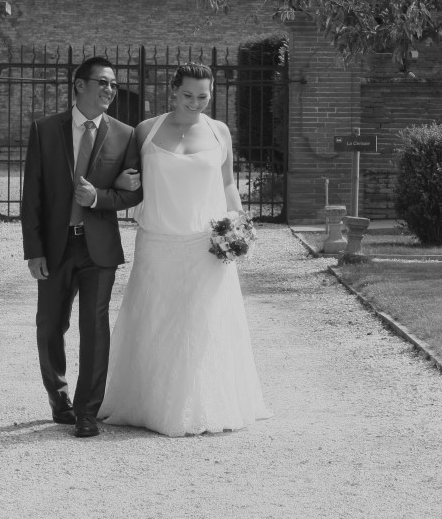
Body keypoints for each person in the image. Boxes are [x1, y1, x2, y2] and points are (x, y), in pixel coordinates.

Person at [99, 62, 270, 436]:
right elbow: (126, 180)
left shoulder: (219, 131)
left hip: (204, 246)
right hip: (158, 242)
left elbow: (227, 186)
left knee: (203, 324)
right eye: (188, 95)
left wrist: (239, 227)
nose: (195, 103)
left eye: (203, 96)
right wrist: (118, 180)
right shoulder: (147, 130)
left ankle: (199, 406)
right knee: (156, 321)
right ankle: (149, 405)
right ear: (173, 91)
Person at [21, 55, 142, 438]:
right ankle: (60, 400)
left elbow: (132, 196)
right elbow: (32, 196)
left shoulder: (126, 135)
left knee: (95, 328)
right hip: (56, 248)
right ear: (80, 86)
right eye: (102, 82)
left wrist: (99, 198)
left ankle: (88, 412)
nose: (109, 89)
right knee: (49, 326)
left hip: (99, 249)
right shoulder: (44, 130)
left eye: (113, 84)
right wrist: (34, 250)